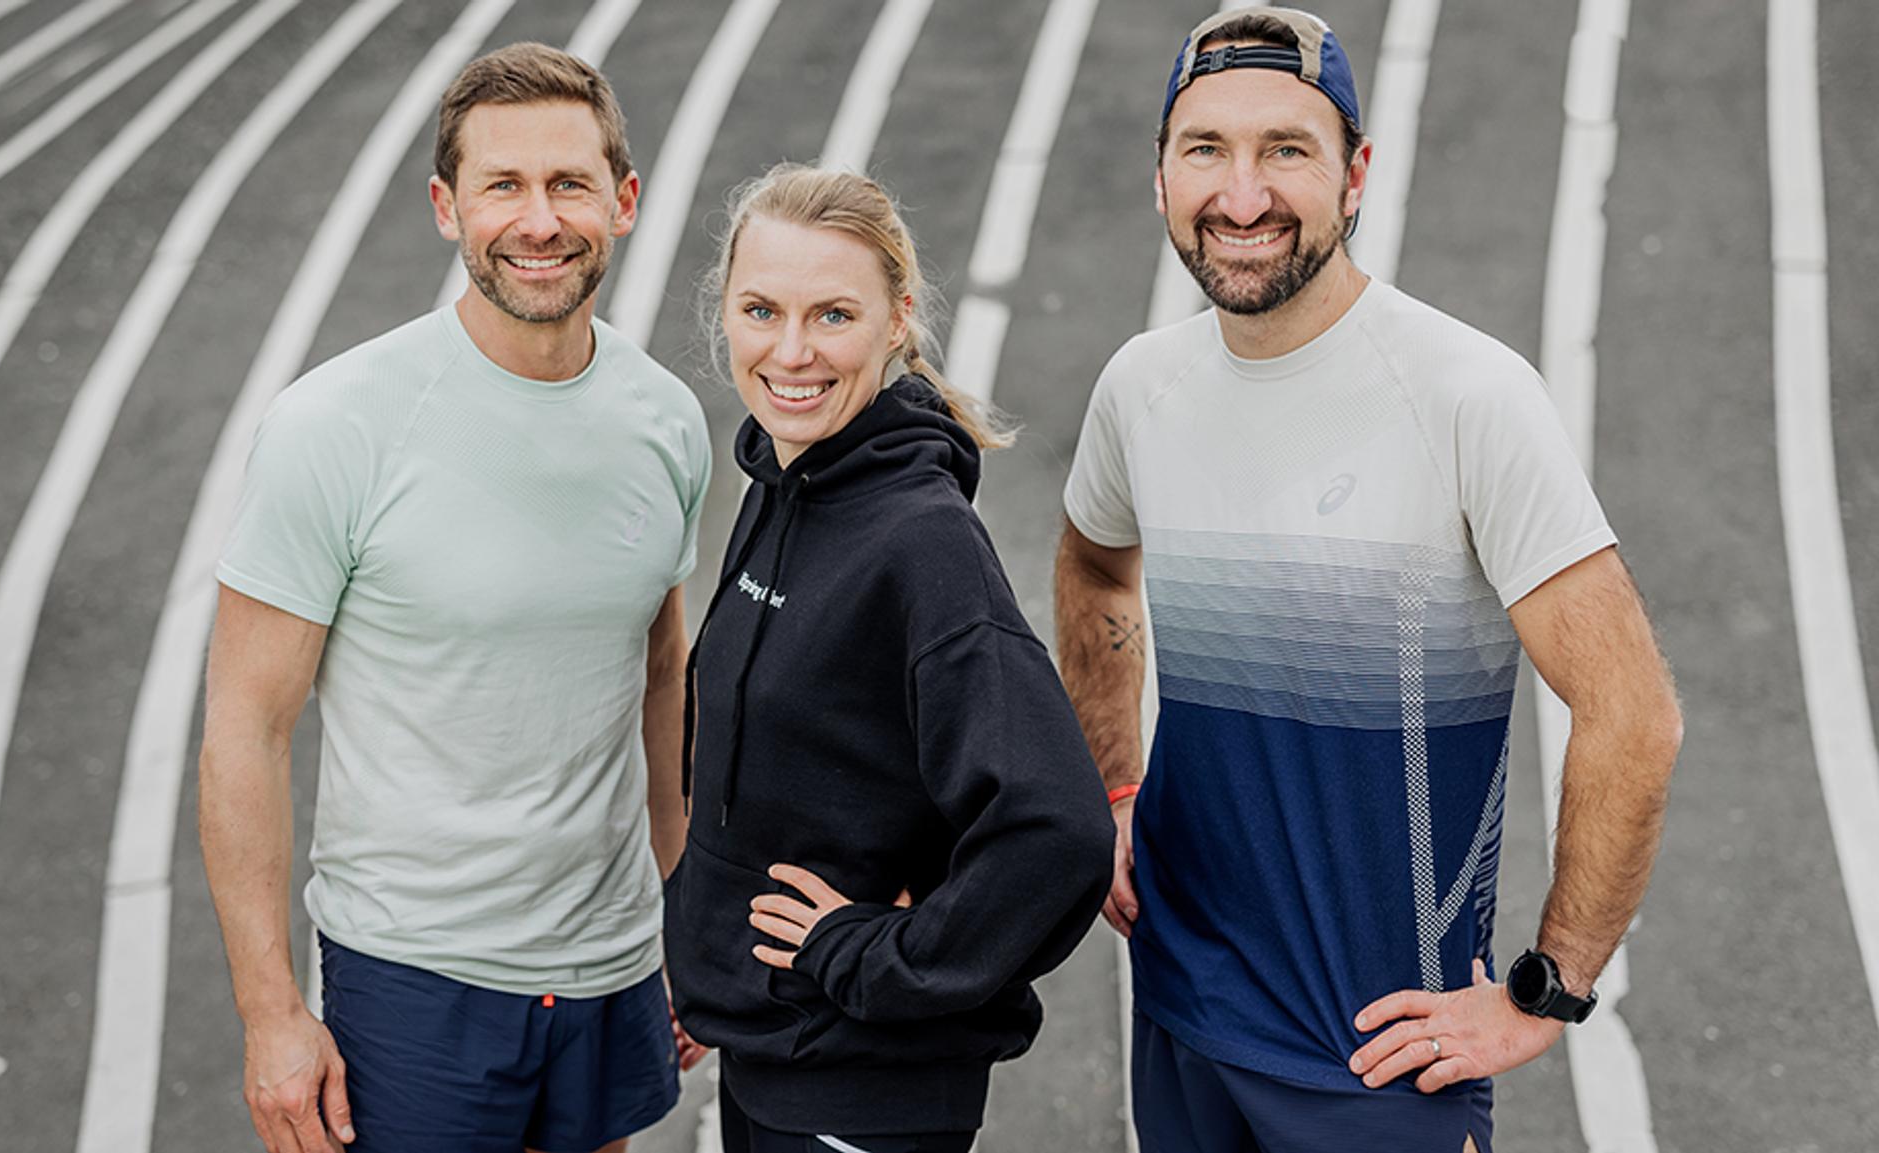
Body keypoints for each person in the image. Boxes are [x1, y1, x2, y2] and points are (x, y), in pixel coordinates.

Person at [1055, 8, 1683, 1152]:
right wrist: (1110, 782)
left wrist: (1546, 989)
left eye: (1284, 150)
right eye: (1204, 149)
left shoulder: (1465, 396)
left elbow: (1629, 712)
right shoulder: (1138, 387)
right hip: (1182, 1006)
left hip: (1378, 1060)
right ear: (1157, 179)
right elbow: (1095, 563)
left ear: (1354, 175)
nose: (1239, 194)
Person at [198, 42, 711, 1153]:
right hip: (414, 973)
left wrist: (678, 907)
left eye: (569, 183)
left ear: (622, 202)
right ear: (447, 207)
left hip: (612, 956)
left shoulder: (666, 419)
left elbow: (662, 666)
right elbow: (247, 725)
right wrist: (270, 1013)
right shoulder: (333, 427)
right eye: (503, 186)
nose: (540, 220)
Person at [664, 163, 1114, 1153]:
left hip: (864, 1088)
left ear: (895, 319)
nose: (790, 350)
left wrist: (874, 954)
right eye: (759, 309)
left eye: (831, 315)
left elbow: (1056, 830)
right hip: (776, 1053)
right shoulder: (783, 479)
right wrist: (701, 952)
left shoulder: (921, 543)